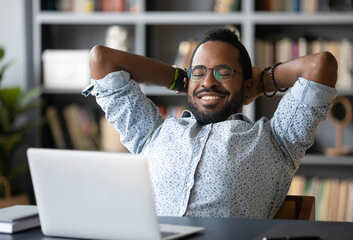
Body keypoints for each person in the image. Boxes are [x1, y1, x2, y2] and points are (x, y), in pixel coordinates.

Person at [83, 27, 337, 219]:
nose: (208, 82)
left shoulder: (277, 141)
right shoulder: (151, 133)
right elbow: (102, 60)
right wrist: (181, 80)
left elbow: (320, 66)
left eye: (223, 72)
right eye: (199, 72)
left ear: (245, 85)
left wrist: (261, 83)